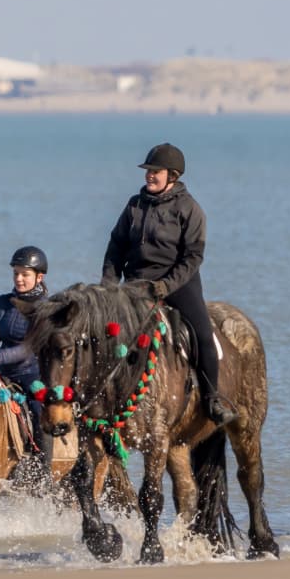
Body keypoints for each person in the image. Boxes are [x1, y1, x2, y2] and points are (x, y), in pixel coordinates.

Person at [102, 143, 237, 427]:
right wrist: (109, 286)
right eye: (148, 171)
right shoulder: (134, 205)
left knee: (203, 335)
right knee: (106, 331)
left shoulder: (189, 209)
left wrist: (165, 287)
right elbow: (116, 247)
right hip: (136, 284)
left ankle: (211, 398)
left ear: (172, 175)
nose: (149, 176)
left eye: (155, 172)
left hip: (179, 283)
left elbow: (193, 257)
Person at [0, 246, 48, 442]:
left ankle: (42, 466)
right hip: (2, 372)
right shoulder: (4, 302)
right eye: (16, 273)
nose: (18, 279)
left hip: (31, 373)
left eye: (24, 274)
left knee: (38, 409)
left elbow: (30, 347)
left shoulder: (44, 308)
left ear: (39, 277)